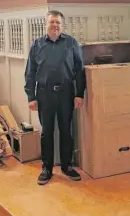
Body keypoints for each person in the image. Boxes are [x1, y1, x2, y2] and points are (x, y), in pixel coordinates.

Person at [24, 10, 86, 185]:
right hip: (44, 95)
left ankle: (66, 166)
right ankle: (47, 168)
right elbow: (30, 72)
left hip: (66, 94)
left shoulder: (72, 43)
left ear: (62, 25)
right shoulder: (37, 45)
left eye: (58, 23)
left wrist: (79, 93)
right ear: (46, 24)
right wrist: (31, 96)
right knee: (47, 132)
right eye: (52, 22)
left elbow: (80, 71)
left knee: (66, 131)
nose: (55, 25)